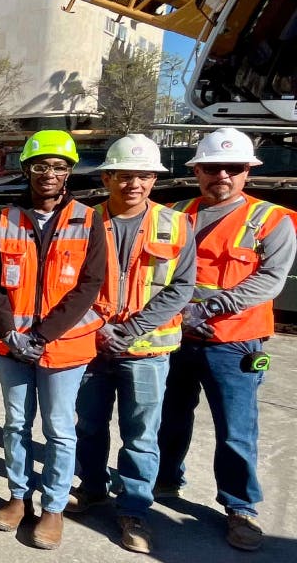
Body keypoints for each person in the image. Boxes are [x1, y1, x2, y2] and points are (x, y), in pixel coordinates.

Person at [157, 128, 295, 552]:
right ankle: (163, 482)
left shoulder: (271, 219)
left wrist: (209, 308)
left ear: (247, 172)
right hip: (177, 338)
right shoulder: (177, 213)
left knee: (236, 430)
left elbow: (270, 280)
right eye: (212, 166)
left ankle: (240, 508)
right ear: (196, 169)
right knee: (170, 418)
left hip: (235, 343)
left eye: (232, 168)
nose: (222, 174)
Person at [67, 134, 194, 554]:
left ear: (153, 180)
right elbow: (69, 284)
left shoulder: (176, 224)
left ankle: (135, 509)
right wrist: (97, 328)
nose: (134, 184)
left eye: (143, 176)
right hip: (93, 345)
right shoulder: (83, 221)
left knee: (141, 433)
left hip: (146, 351)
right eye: (125, 175)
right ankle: (93, 487)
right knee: (88, 423)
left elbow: (180, 288)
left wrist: (131, 329)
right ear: (107, 177)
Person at [0, 130, 106, 550]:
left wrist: (40, 334)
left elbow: (89, 285)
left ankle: (53, 507)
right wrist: (8, 332)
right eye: (40, 166)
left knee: (58, 429)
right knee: (15, 424)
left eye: (58, 166)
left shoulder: (88, 220)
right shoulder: (5, 219)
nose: (48, 174)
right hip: (11, 346)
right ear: (27, 170)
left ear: (69, 172)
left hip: (63, 346)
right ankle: (18, 497)